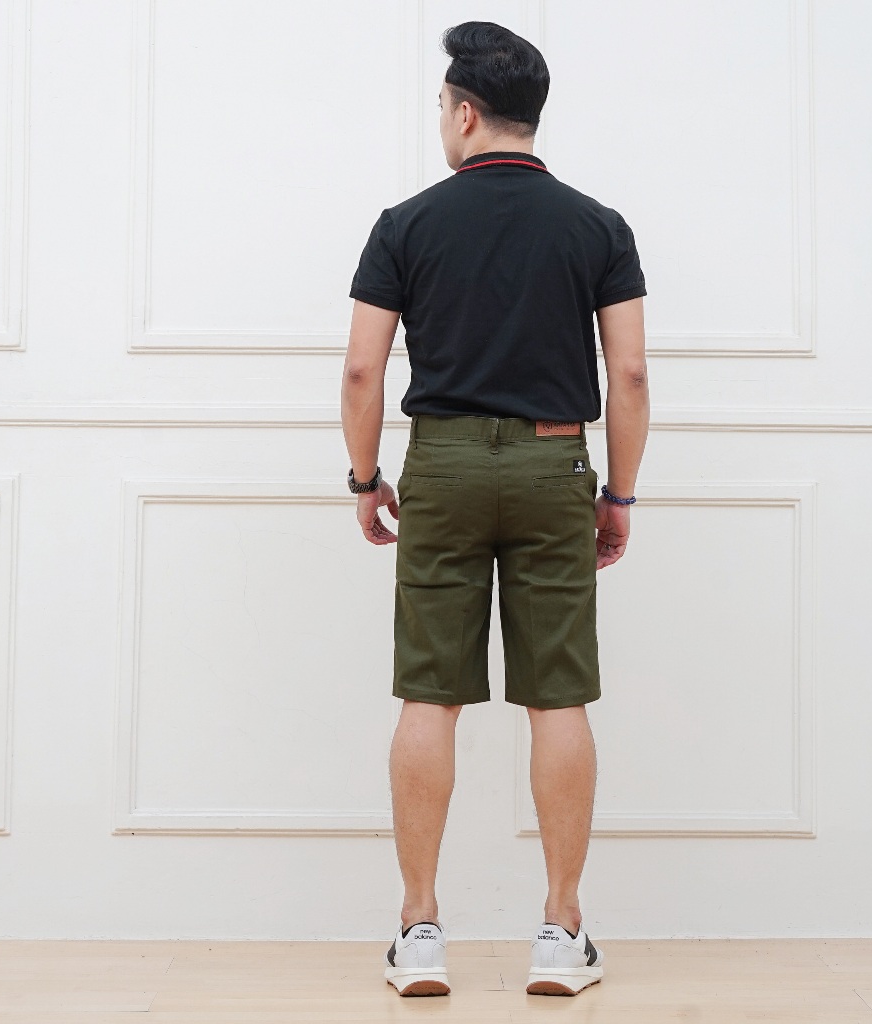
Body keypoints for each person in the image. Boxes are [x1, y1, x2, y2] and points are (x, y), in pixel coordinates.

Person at [340, 20, 649, 998]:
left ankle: (418, 930)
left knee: (429, 693)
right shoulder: (598, 227)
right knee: (557, 696)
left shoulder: (406, 224)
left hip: (441, 467)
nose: (441, 118)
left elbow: (361, 370)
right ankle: (560, 931)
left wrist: (365, 477)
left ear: (467, 114)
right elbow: (629, 376)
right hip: (557, 464)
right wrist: (617, 492)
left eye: (442, 105)